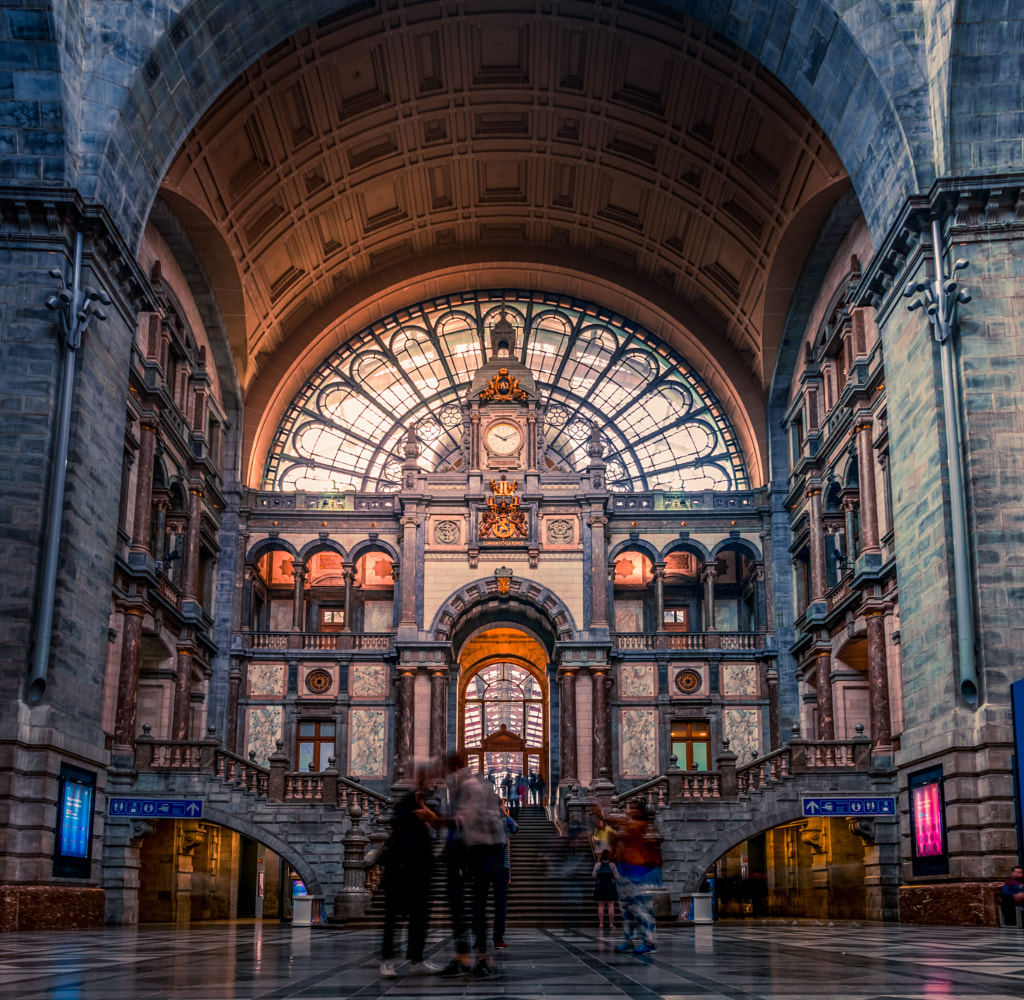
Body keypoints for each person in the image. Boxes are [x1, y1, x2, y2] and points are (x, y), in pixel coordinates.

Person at [378, 769, 441, 979]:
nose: (433, 788)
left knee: (419, 919)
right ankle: (387, 961)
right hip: (400, 873)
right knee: (393, 920)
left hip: (419, 875)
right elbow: (400, 829)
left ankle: (416, 959)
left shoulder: (420, 806)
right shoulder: (406, 806)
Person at [600, 800, 661, 954]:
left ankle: (649, 942)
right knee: (627, 909)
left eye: (633, 808)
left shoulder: (639, 825)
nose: (630, 810)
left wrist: (603, 814)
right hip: (624, 870)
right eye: (630, 808)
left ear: (640, 811)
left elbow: (623, 827)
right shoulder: (629, 824)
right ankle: (629, 940)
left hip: (637, 870)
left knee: (641, 908)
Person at [495, 801, 518, 949]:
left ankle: (480, 940)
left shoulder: (484, 819)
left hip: (486, 864)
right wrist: (505, 813)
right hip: (502, 865)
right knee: (501, 904)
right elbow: (516, 828)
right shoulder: (505, 819)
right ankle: (498, 937)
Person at [592, 850, 619, 932]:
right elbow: (617, 876)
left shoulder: (598, 865)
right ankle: (611, 924)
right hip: (610, 886)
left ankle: (601, 923)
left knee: (601, 905)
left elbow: (594, 875)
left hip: (600, 886)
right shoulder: (612, 865)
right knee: (611, 905)